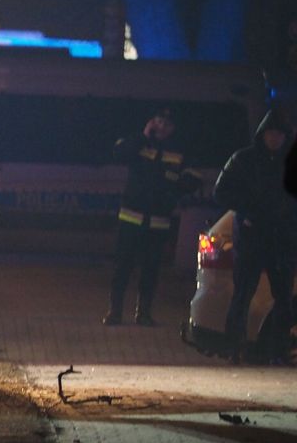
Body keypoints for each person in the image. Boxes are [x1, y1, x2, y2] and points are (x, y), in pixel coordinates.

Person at [104, 107, 201, 326]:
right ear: (152, 122)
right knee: (122, 266)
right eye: (159, 121)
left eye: (167, 124)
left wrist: (173, 191)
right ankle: (115, 312)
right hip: (131, 217)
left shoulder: (180, 149)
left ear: (173, 128)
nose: (162, 127)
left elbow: (194, 177)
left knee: (151, 268)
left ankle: (144, 313)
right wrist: (143, 135)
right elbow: (119, 153)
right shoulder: (139, 143)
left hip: (158, 220)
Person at [214, 109, 297, 364]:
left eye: (279, 134)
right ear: (262, 134)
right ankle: (233, 348)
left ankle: (277, 352)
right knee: (243, 294)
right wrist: (247, 212)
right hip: (252, 237)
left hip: (281, 240)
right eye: (271, 133)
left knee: (283, 298)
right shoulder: (243, 159)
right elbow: (221, 192)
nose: (275, 139)